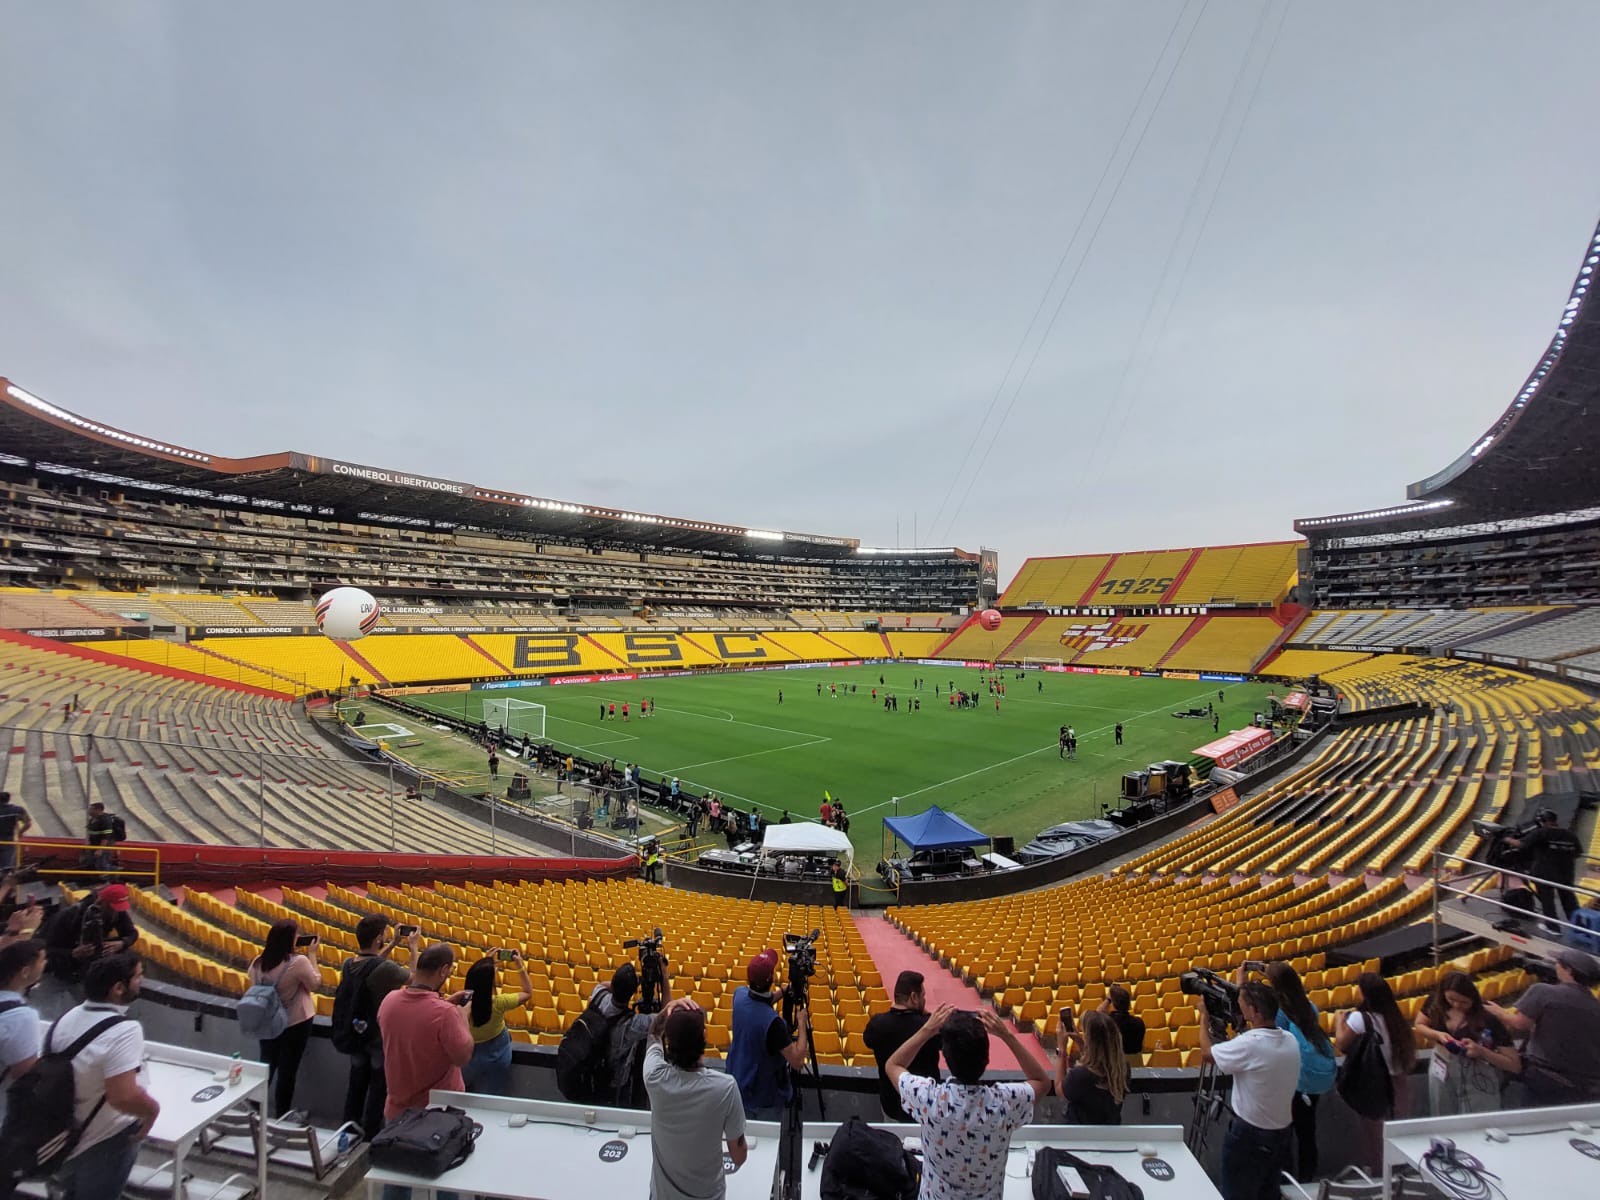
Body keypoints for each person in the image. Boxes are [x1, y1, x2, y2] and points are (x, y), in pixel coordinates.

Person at [886, 1006, 1050, 1198]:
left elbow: (893, 1065)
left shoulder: (928, 1098)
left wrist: (927, 1030)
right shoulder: (1006, 1102)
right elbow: (1042, 1081)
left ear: (946, 1058)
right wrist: (1007, 1036)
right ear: (987, 1059)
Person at [51, 953, 159, 1200]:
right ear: (118, 988)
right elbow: (123, 1096)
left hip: (64, 1133)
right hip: (104, 1138)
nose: (142, 980)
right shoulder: (125, 1030)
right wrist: (152, 1111)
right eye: (138, 976)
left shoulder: (67, 1018)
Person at [1197, 981, 1300, 1200]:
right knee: (1268, 1194)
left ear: (1255, 1011)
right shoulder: (1290, 1040)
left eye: (1242, 1003)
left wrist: (1204, 1017)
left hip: (1249, 1135)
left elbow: (1208, 1054)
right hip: (1282, 1134)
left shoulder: (1249, 1045)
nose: (1238, 1005)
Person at [643, 997, 746, 1200]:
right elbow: (739, 1156)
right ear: (705, 1036)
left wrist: (666, 1010)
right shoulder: (725, 1088)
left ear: (668, 1042)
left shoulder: (654, 1077)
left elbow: (653, 1033)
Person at [1486, 947, 1600, 1105]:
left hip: (1544, 1078)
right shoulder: (1595, 1006)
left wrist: (1498, 1012)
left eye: (1558, 962)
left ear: (1568, 970)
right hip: (1585, 1088)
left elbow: (1520, 1024)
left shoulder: (1543, 991)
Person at [377, 942, 473, 1122]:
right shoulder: (445, 1014)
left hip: (396, 1113)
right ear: (443, 970)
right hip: (435, 1115)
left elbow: (415, 1019)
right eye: (450, 969)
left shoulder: (389, 1000)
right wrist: (462, 1017)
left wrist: (445, 1004)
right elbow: (463, 1057)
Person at [341, 915, 414, 1138]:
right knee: (378, 1088)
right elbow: (415, 979)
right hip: (377, 1037)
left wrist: (392, 944)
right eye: (384, 933)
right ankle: (371, 1134)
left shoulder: (349, 964)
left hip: (355, 1033)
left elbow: (372, 965)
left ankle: (348, 1129)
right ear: (377, 939)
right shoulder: (386, 969)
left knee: (355, 1084)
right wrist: (413, 948)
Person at [1334, 973, 1416, 1172]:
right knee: (1396, 1132)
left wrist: (1339, 1021)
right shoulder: (1395, 1017)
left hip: (1374, 1082)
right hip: (1398, 1081)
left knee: (1374, 1137)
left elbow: (1342, 1044)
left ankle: (1381, 1176)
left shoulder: (1360, 1018)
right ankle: (1398, 1172)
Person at [1262, 962, 1335, 1182]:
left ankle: (1286, 1182)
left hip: (1290, 1082)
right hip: (1310, 1082)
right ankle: (1306, 1179)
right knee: (1307, 1133)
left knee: (1284, 1135)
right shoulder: (1309, 1006)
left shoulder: (1279, 1012)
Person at [1415, 971, 1519, 1116]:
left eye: (1464, 1002)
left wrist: (1481, 1051)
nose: (1457, 1005)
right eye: (1451, 999)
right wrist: (1437, 1035)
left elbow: (1514, 1064)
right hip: (1442, 1064)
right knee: (1442, 1112)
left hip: (1476, 1071)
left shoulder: (1487, 1017)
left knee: (1478, 1115)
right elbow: (1420, 1024)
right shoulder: (1436, 1003)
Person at [246, 918, 320, 1119]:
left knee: (266, 1064)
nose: (299, 937)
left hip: (266, 1020)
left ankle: (254, 1106)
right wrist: (312, 955)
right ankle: (283, 1114)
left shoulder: (258, 962)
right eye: (296, 935)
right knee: (288, 1070)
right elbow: (315, 983)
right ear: (289, 939)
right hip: (294, 1022)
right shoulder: (298, 962)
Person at [726, 949, 808, 1120]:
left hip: (736, 1080)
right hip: (763, 1098)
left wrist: (784, 992)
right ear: (771, 979)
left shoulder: (738, 994)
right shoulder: (774, 1025)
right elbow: (797, 1062)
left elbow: (758, 1000)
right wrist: (801, 1023)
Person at [863, 971, 941, 1122]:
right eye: (923, 995)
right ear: (914, 997)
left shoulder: (877, 1024)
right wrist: (927, 1016)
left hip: (891, 1107)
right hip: (924, 1110)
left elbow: (868, 1041)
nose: (924, 1000)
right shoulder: (927, 1026)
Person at [590, 960, 666, 1107]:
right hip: (615, 1082)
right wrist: (664, 978)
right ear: (633, 993)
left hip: (592, 1069)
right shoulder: (634, 1024)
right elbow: (666, 1015)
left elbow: (604, 985)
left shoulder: (598, 995)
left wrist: (623, 984)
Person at [462, 950, 533, 1095]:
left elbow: (478, 979)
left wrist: (485, 963)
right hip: (497, 1055)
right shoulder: (499, 1003)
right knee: (494, 1092)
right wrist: (519, 965)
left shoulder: (461, 1005)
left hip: (469, 1057)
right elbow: (528, 992)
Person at [46, 884, 139, 985]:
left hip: (95, 960)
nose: (117, 911)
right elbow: (48, 951)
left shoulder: (116, 912)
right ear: (102, 902)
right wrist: (72, 953)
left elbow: (133, 933)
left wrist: (122, 943)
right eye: (113, 908)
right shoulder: (69, 916)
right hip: (68, 966)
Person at [1506, 808, 1583, 930]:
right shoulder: (1570, 835)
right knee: (1569, 901)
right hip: (1566, 874)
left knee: (1548, 902)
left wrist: (1506, 839)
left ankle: (1553, 928)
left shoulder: (1541, 833)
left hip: (1545, 874)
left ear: (1542, 821)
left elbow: (1521, 844)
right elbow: (1578, 853)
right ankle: (1579, 927)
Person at [0, 937, 46, 1128]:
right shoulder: (21, 1017)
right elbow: (25, 1073)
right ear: (25, 972)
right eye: (42, 960)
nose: (45, 964)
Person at [1055, 1010, 1128, 1125]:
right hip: (1110, 1129)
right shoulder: (1122, 1069)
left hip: (1080, 1131)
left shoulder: (1081, 1075)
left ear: (1091, 1042)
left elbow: (1060, 1091)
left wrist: (1061, 1049)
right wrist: (1080, 1042)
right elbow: (1099, 1058)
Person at [1101, 985, 1145, 1055]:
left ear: (1113, 1004)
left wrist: (1108, 999)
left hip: (1116, 1060)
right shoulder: (1139, 1023)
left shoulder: (1108, 1024)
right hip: (1136, 1061)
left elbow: (1098, 1014)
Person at [0, 791, 31, 872]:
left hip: (7, 842)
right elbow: (28, 823)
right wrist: (20, 833)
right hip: (8, 842)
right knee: (7, 868)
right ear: (8, 799)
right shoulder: (17, 810)